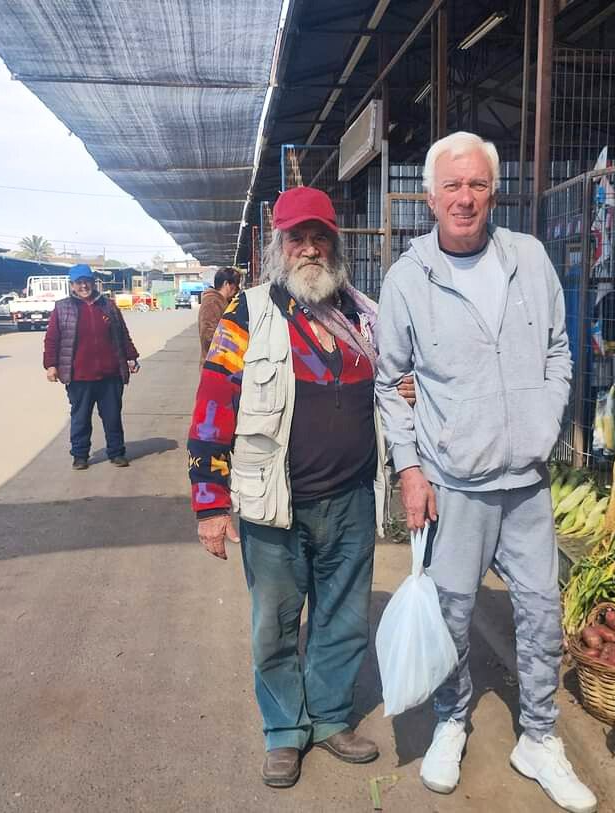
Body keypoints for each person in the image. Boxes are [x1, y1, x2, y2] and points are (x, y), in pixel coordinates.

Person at [374, 132, 597, 813]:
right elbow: (391, 382)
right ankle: (451, 717)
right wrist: (410, 469)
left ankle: (538, 735)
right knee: (452, 612)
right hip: (456, 483)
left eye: (476, 185)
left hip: (525, 481)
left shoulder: (528, 258)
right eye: (452, 186)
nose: (464, 198)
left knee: (540, 611)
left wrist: (546, 418)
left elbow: (561, 349)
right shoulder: (409, 277)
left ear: (491, 191)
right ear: (432, 196)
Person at [188, 186, 391, 789]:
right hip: (272, 504)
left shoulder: (363, 313)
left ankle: (329, 717)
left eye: (319, 237)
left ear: (335, 244)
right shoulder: (247, 314)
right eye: (297, 238)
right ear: (280, 247)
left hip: (352, 498)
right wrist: (209, 504)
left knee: (344, 617)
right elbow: (211, 408)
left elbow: (394, 387)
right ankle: (283, 730)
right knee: (274, 622)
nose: (309, 248)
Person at [43, 264, 140, 470]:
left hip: (110, 374)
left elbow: (122, 334)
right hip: (79, 376)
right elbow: (52, 340)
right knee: (80, 418)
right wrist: (51, 365)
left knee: (113, 417)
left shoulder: (109, 306)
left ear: (94, 282)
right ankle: (80, 456)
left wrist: (131, 357)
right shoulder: (62, 308)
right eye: (79, 283)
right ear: (72, 285)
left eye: (87, 281)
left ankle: (116, 452)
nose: (84, 286)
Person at [197, 266, 241, 363]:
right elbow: (208, 335)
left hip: (222, 361)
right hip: (214, 363)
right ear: (226, 284)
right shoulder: (212, 302)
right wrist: (233, 344)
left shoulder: (224, 302)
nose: (237, 290)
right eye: (236, 285)